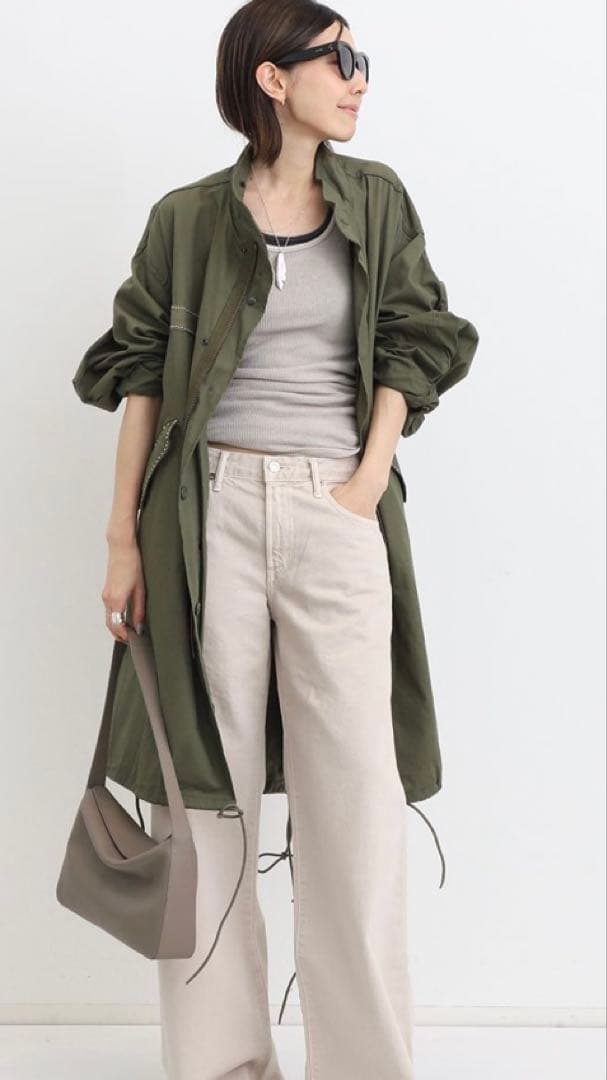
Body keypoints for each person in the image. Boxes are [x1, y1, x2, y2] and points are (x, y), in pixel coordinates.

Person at [73, 1, 479, 1077]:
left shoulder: (375, 199)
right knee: (204, 808)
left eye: (359, 59)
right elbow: (143, 378)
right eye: (337, 58)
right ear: (271, 77)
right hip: (202, 517)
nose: (358, 77)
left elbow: (413, 340)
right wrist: (121, 542)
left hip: (333, 510)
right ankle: (222, 1066)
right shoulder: (185, 219)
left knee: (357, 809)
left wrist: (365, 481)